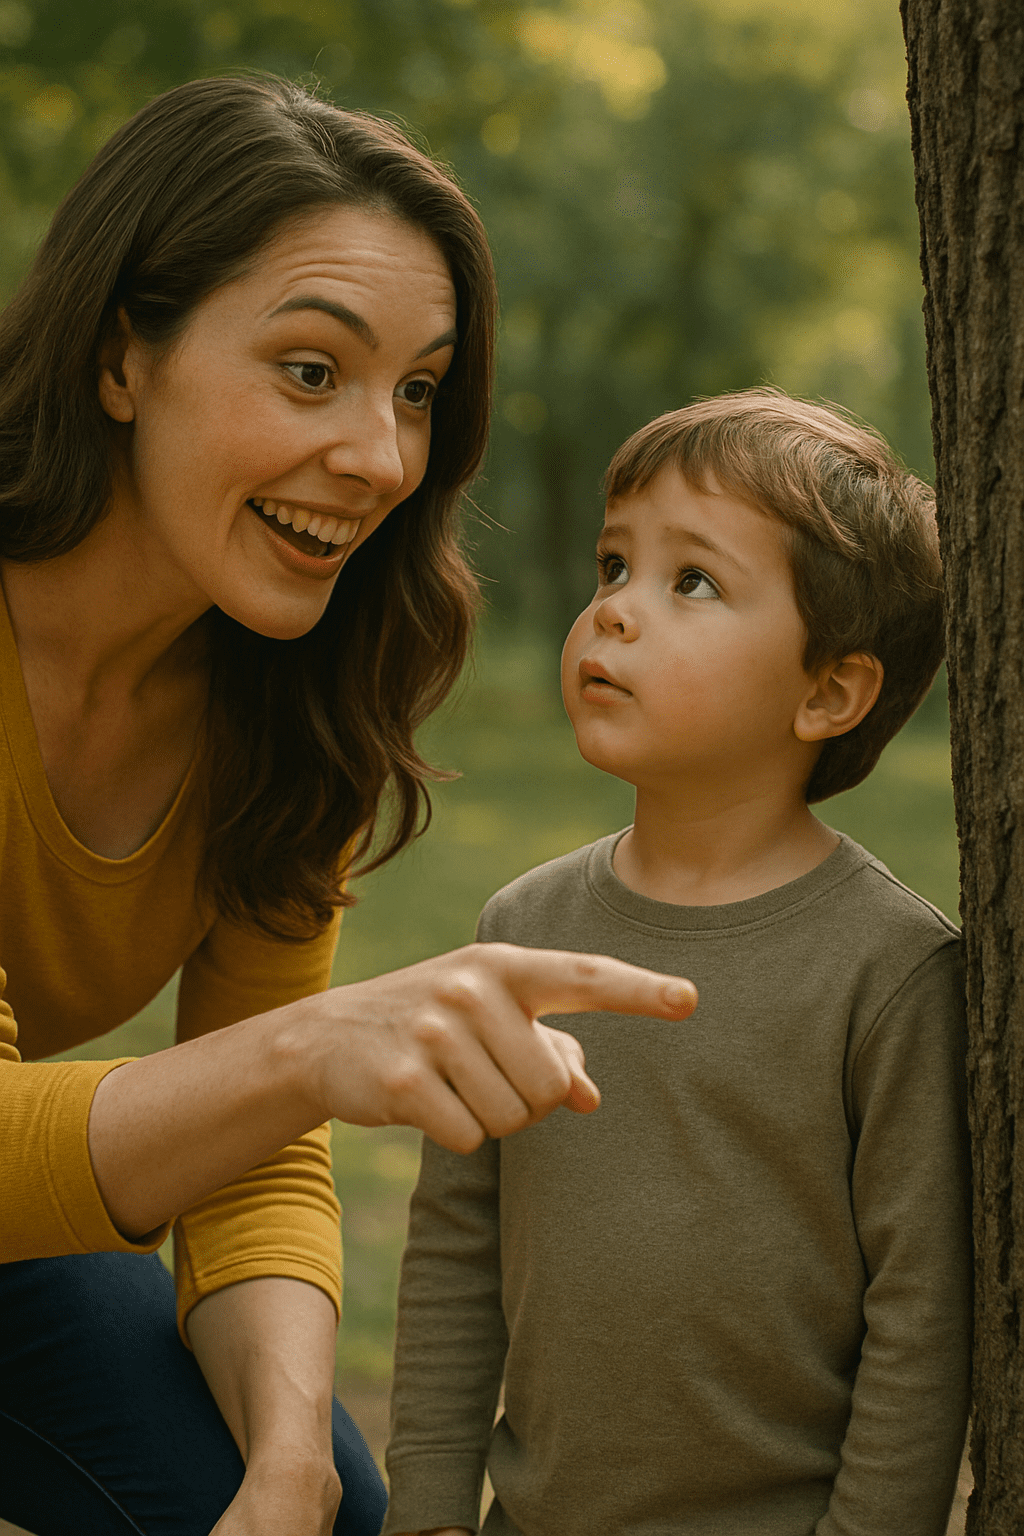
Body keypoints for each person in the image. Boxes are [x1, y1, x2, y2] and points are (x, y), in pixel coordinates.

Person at [0, 76, 700, 1536]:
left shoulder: (286, 697)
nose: (383, 459)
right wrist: (314, 1048)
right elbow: (268, 1080)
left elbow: (255, 1152)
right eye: (313, 371)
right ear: (122, 353)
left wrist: (289, 1463)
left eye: (418, 391)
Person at [384, 389, 972, 1536]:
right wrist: (431, 1510)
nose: (612, 614)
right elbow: (456, 1248)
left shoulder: (891, 970)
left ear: (827, 691)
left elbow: (922, 1320)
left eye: (689, 581)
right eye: (612, 567)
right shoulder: (521, 928)